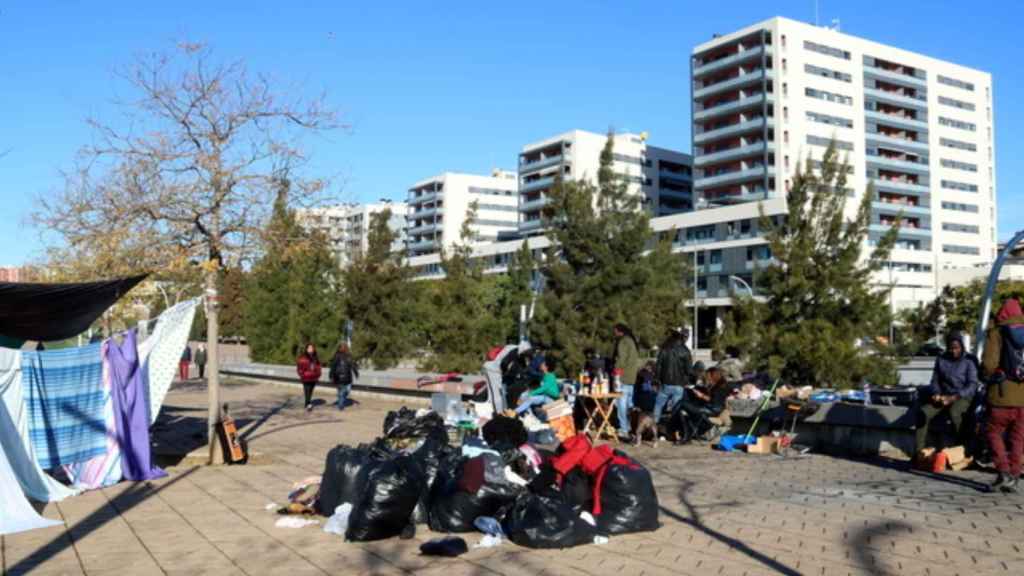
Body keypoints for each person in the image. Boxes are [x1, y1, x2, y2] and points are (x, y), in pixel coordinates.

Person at [982, 298, 1024, 493]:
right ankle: (1015, 476)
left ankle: (1003, 472)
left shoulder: (997, 332)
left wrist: (988, 375)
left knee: (993, 432)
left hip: (1001, 395)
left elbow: (989, 365)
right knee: (1018, 438)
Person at [914, 332, 978, 457]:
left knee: (955, 412)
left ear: (962, 347)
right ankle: (919, 452)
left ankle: (963, 448)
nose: (954, 351)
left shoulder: (969, 360)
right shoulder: (941, 359)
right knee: (923, 413)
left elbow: (972, 385)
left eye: (956, 348)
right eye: (951, 348)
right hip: (944, 395)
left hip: (962, 396)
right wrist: (936, 393)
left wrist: (955, 397)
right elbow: (934, 381)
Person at [653, 327, 693, 425]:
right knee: (676, 408)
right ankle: (674, 429)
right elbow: (689, 370)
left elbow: (658, 366)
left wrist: (656, 380)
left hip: (665, 383)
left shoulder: (665, 349)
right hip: (679, 384)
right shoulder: (685, 351)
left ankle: (654, 426)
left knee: (658, 405)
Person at [612, 323, 641, 440]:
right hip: (631, 376)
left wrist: (616, 373)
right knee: (629, 404)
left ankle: (624, 430)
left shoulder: (623, 341)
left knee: (621, 404)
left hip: (623, 376)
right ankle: (632, 428)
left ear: (619, 331)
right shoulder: (631, 341)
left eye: (614, 331)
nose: (614, 333)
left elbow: (621, 359)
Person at [329, 343, 359, 410]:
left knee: (346, 391)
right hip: (338, 377)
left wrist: (356, 373)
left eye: (344, 347)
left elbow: (353, 365)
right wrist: (331, 375)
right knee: (342, 391)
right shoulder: (336, 356)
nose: (343, 349)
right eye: (341, 347)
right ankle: (341, 405)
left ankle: (340, 399)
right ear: (339, 348)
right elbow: (333, 366)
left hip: (347, 377)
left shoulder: (349, 356)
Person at [296, 343, 322, 412]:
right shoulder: (302, 357)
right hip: (306, 377)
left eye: (312, 348)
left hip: (314, 377)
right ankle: (308, 404)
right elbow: (299, 368)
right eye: (309, 348)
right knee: (307, 391)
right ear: (306, 349)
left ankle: (307, 403)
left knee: (310, 391)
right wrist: (302, 375)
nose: (311, 349)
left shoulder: (315, 357)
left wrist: (318, 374)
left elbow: (318, 367)